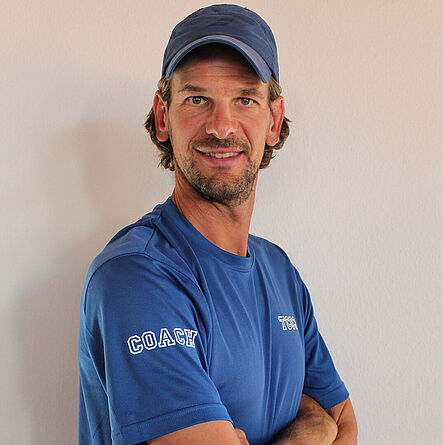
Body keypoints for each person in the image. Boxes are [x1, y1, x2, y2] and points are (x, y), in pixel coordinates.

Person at [78, 4, 358, 445]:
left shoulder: (279, 270)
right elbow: (329, 423)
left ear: (274, 119)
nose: (222, 127)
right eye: (197, 99)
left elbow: (343, 423)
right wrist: (315, 427)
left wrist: (324, 422)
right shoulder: (136, 276)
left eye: (245, 100)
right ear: (163, 115)